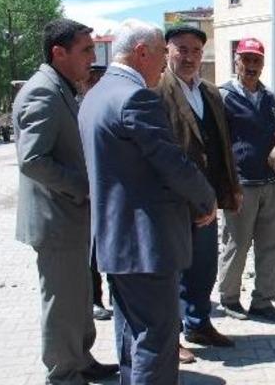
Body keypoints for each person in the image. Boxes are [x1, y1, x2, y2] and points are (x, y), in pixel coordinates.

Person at [78, 19, 217, 384]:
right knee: (155, 340)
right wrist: (206, 199)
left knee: (131, 336)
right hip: (146, 245)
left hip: (115, 241)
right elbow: (171, 161)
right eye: (160, 55)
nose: (163, 65)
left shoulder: (97, 94)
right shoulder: (135, 97)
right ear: (142, 53)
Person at [13, 18, 119, 384]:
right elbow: (32, 160)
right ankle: (63, 374)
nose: (93, 57)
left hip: (70, 219)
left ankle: (80, 359)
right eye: (86, 50)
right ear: (59, 53)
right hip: (56, 221)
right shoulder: (43, 91)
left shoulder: (61, 87)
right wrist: (83, 186)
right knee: (62, 303)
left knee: (78, 297)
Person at [155, 25, 241, 363]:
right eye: (182, 49)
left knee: (203, 267)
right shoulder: (155, 91)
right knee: (172, 271)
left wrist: (230, 189)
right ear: (168, 52)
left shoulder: (210, 92)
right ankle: (170, 338)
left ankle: (199, 324)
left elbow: (222, 145)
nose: (189, 57)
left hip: (208, 200)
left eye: (195, 51)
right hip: (174, 202)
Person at [217, 38, 275, 322]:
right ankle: (229, 298)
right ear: (236, 61)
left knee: (271, 245)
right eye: (246, 60)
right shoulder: (222, 96)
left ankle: (263, 301)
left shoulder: (269, 98)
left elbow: (271, 130)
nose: (251, 66)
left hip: (271, 182)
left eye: (256, 60)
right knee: (237, 243)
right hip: (241, 184)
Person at [76, 63, 115, 322]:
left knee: (113, 246)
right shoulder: (77, 107)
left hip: (111, 191)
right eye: (91, 78)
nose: (95, 83)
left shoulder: (108, 106)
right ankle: (94, 300)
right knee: (91, 252)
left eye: (100, 79)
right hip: (85, 192)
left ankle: (117, 295)